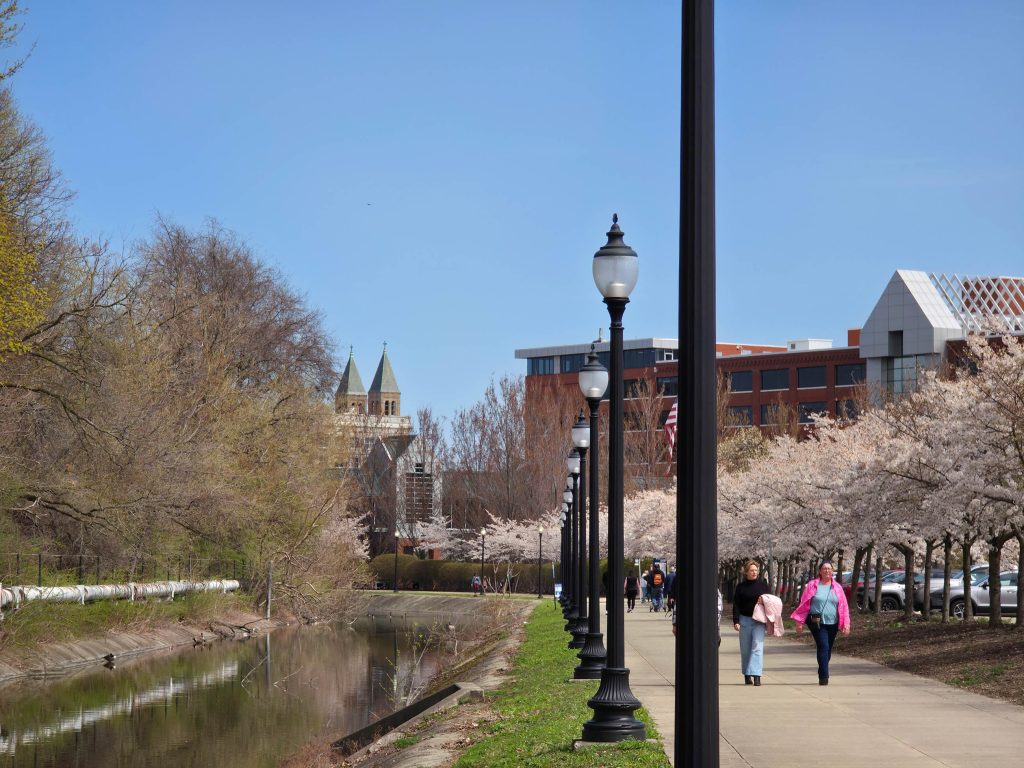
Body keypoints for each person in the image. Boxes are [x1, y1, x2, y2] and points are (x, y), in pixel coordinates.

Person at [791, 560, 851, 685]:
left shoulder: (837, 587)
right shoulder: (812, 585)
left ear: (832, 571)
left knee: (827, 650)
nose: (827, 571)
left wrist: (846, 624)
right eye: (824, 568)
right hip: (817, 623)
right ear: (820, 571)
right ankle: (824, 676)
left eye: (829, 568)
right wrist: (799, 622)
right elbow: (804, 604)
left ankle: (822, 669)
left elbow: (844, 606)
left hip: (833, 623)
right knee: (823, 646)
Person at [732, 560, 769, 686]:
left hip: (759, 621)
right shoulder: (741, 587)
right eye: (752, 570)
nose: (754, 572)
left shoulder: (763, 586)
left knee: (757, 647)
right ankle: (747, 674)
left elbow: (770, 602)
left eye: (756, 570)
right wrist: (736, 621)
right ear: (746, 572)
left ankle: (757, 675)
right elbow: (736, 604)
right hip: (745, 620)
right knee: (746, 650)